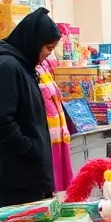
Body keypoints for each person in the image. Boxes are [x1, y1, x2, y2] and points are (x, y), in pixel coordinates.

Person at [0, 8, 61, 207]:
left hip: (28, 174)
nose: (48, 54)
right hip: (17, 176)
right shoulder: (6, 66)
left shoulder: (21, 65)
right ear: (33, 41)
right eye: (47, 47)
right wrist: (30, 149)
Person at [37, 55, 74, 192]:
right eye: (48, 47)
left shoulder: (44, 66)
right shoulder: (26, 68)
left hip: (58, 136)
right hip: (46, 139)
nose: (49, 53)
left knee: (62, 187)